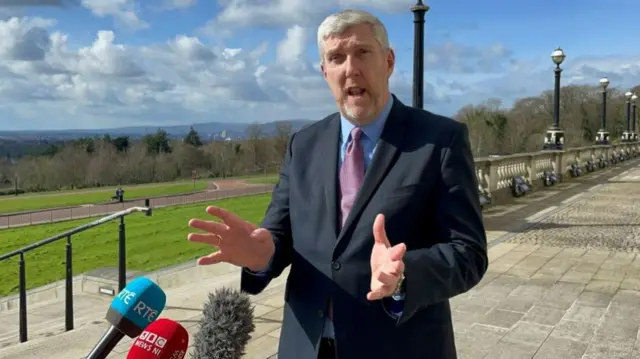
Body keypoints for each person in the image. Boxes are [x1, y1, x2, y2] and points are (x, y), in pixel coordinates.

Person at [187, 9, 488, 359]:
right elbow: (280, 233)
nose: (350, 68)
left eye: (362, 52)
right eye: (336, 58)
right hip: (307, 346)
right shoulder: (303, 144)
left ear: (388, 61)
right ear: (324, 71)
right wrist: (260, 253)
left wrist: (404, 274)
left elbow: (468, 252)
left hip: (400, 345)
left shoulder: (441, 140)